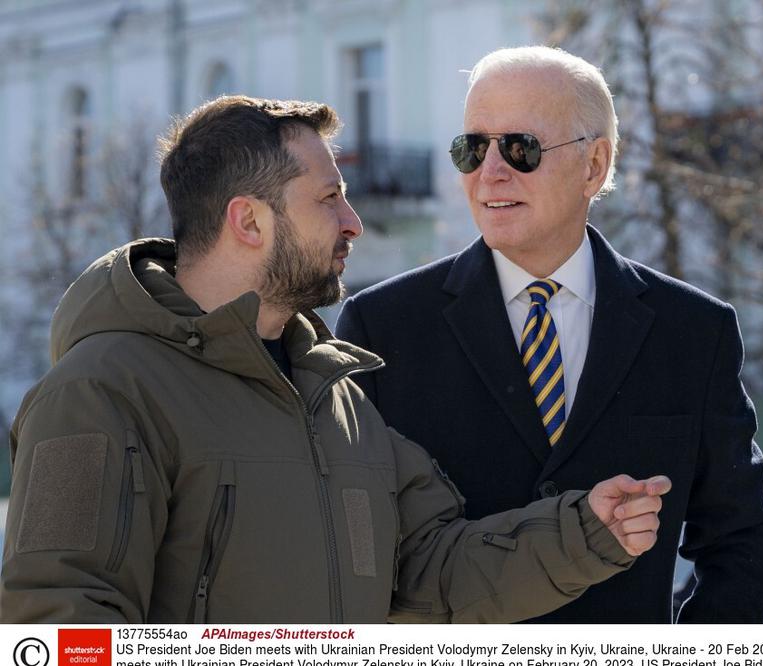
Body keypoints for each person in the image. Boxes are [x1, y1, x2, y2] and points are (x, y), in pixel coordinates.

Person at [0, 95, 671, 623]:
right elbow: (60, 622)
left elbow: (427, 570)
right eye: (328, 198)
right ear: (250, 221)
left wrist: (583, 532)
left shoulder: (335, 398)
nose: (352, 221)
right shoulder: (100, 392)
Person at [336, 46, 763, 623]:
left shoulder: (694, 330)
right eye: (472, 148)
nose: (490, 172)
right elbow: (363, 557)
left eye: (520, 148)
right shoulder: (383, 325)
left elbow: (743, 539)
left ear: (594, 165)